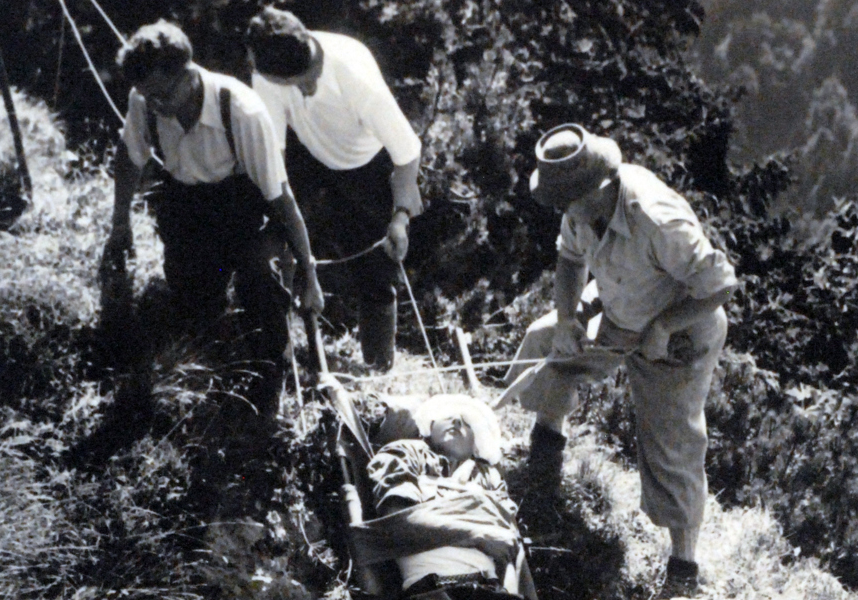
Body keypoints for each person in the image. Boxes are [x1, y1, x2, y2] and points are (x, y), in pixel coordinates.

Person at [506, 123, 738, 598]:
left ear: (601, 187)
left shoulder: (657, 219)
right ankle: (545, 458)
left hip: (680, 334)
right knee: (547, 344)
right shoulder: (576, 204)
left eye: (567, 201)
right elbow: (570, 260)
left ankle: (683, 570)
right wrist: (570, 319)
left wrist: (662, 328)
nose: (562, 211)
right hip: (618, 309)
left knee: (671, 442)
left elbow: (720, 286)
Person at [102, 20, 324, 415]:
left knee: (259, 282)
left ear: (188, 75)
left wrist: (308, 271)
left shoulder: (242, 110)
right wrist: (121, 224)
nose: (154, 105)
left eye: (162, 95)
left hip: (242, 203)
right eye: (146, 97)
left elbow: (281, 198)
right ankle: (215, 369)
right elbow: (129, 157)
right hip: (185, 203)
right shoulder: (146, 99)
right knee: (193, 301)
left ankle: (269, 382)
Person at [244, 6, 424, 371]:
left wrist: (401, 217)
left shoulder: (354, 76)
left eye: (306, 82)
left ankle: (378, 370)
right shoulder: (268, 69)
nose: (304, 89)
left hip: (364, 166)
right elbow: (273, 158)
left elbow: (407, 152)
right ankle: (276, 356)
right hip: (304, 155)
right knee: (269, 243)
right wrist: (292, 243)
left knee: (376, 268)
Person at [365, 395, 534, 600]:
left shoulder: (489, 478)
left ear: (477, 444)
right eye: (448, 416)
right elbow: (399, 522)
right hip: (433, 589)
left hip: (490, 590)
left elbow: (507, 546)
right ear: (431, 425)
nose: (456, 421)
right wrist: (476, 535)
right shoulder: (406, 452)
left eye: (468, 423)